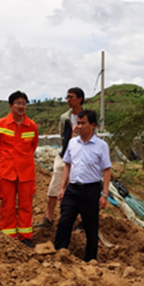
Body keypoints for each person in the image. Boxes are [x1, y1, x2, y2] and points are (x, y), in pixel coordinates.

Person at [54, 110, 112, 262]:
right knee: (64, 222)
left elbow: (107, 170)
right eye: (77, 123)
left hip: (90, 191)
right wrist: (62, 187)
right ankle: (59, 253)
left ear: (92, 125)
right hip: (72, 190)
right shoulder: (73, 143)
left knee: (91, 227)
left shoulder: (101, 146)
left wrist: (104, 194)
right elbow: (67, 165)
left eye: (82, 123)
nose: (78, 126)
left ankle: (90, 259)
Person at [0, 91, 39, 247]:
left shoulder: (32, 126)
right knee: (7, 205)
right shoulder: (1, 124)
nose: (21, 106)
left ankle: (25, 237)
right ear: (10, 106)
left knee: (26, 205)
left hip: (26, 173)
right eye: (18, 103)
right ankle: (8, 237)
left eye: (23, 103)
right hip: (7, 172)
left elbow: (33, 146)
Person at [35, 87, 85, 228]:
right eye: (67, 97)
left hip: (82, 158)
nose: (68, 100)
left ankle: (82, 220)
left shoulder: (87, 116)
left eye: (71, 97)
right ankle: (49, 218)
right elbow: (63, 135)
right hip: (65, 155)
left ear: (80, 99)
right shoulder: (65, 117)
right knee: (54, 187)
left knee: (82, 188)